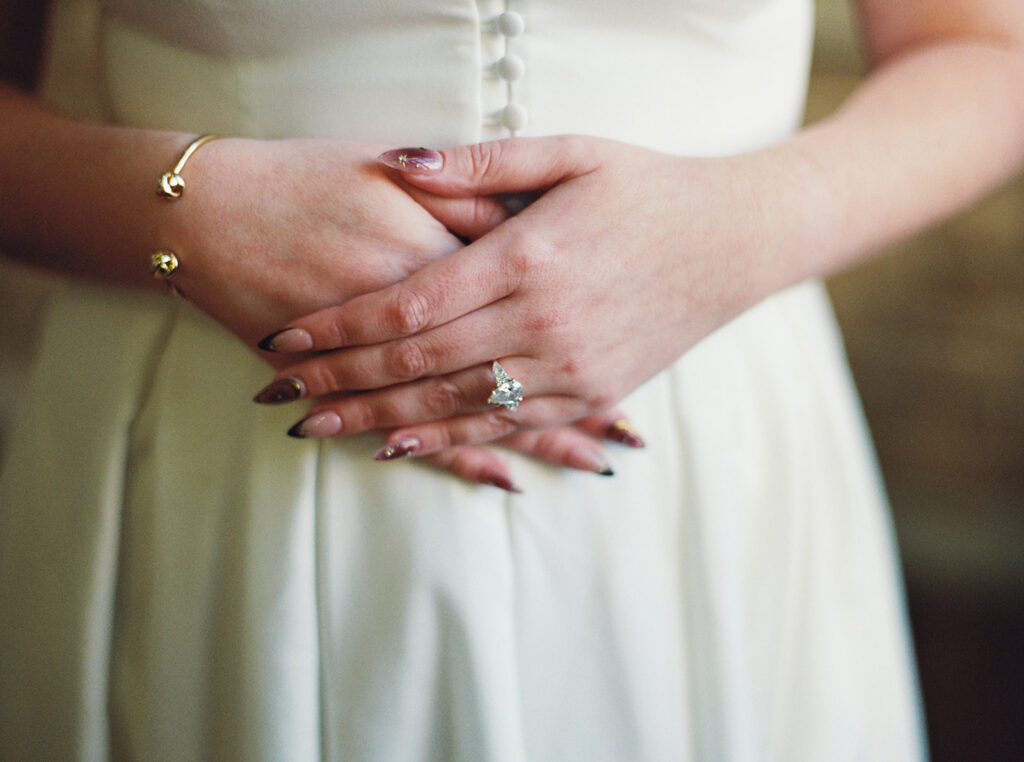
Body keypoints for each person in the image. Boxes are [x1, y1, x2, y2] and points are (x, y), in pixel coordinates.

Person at [2, 0, 1022, 758]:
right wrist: (183, 211)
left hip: (698, 445)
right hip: (213, 463)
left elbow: (988, 51)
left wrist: (745, 228)